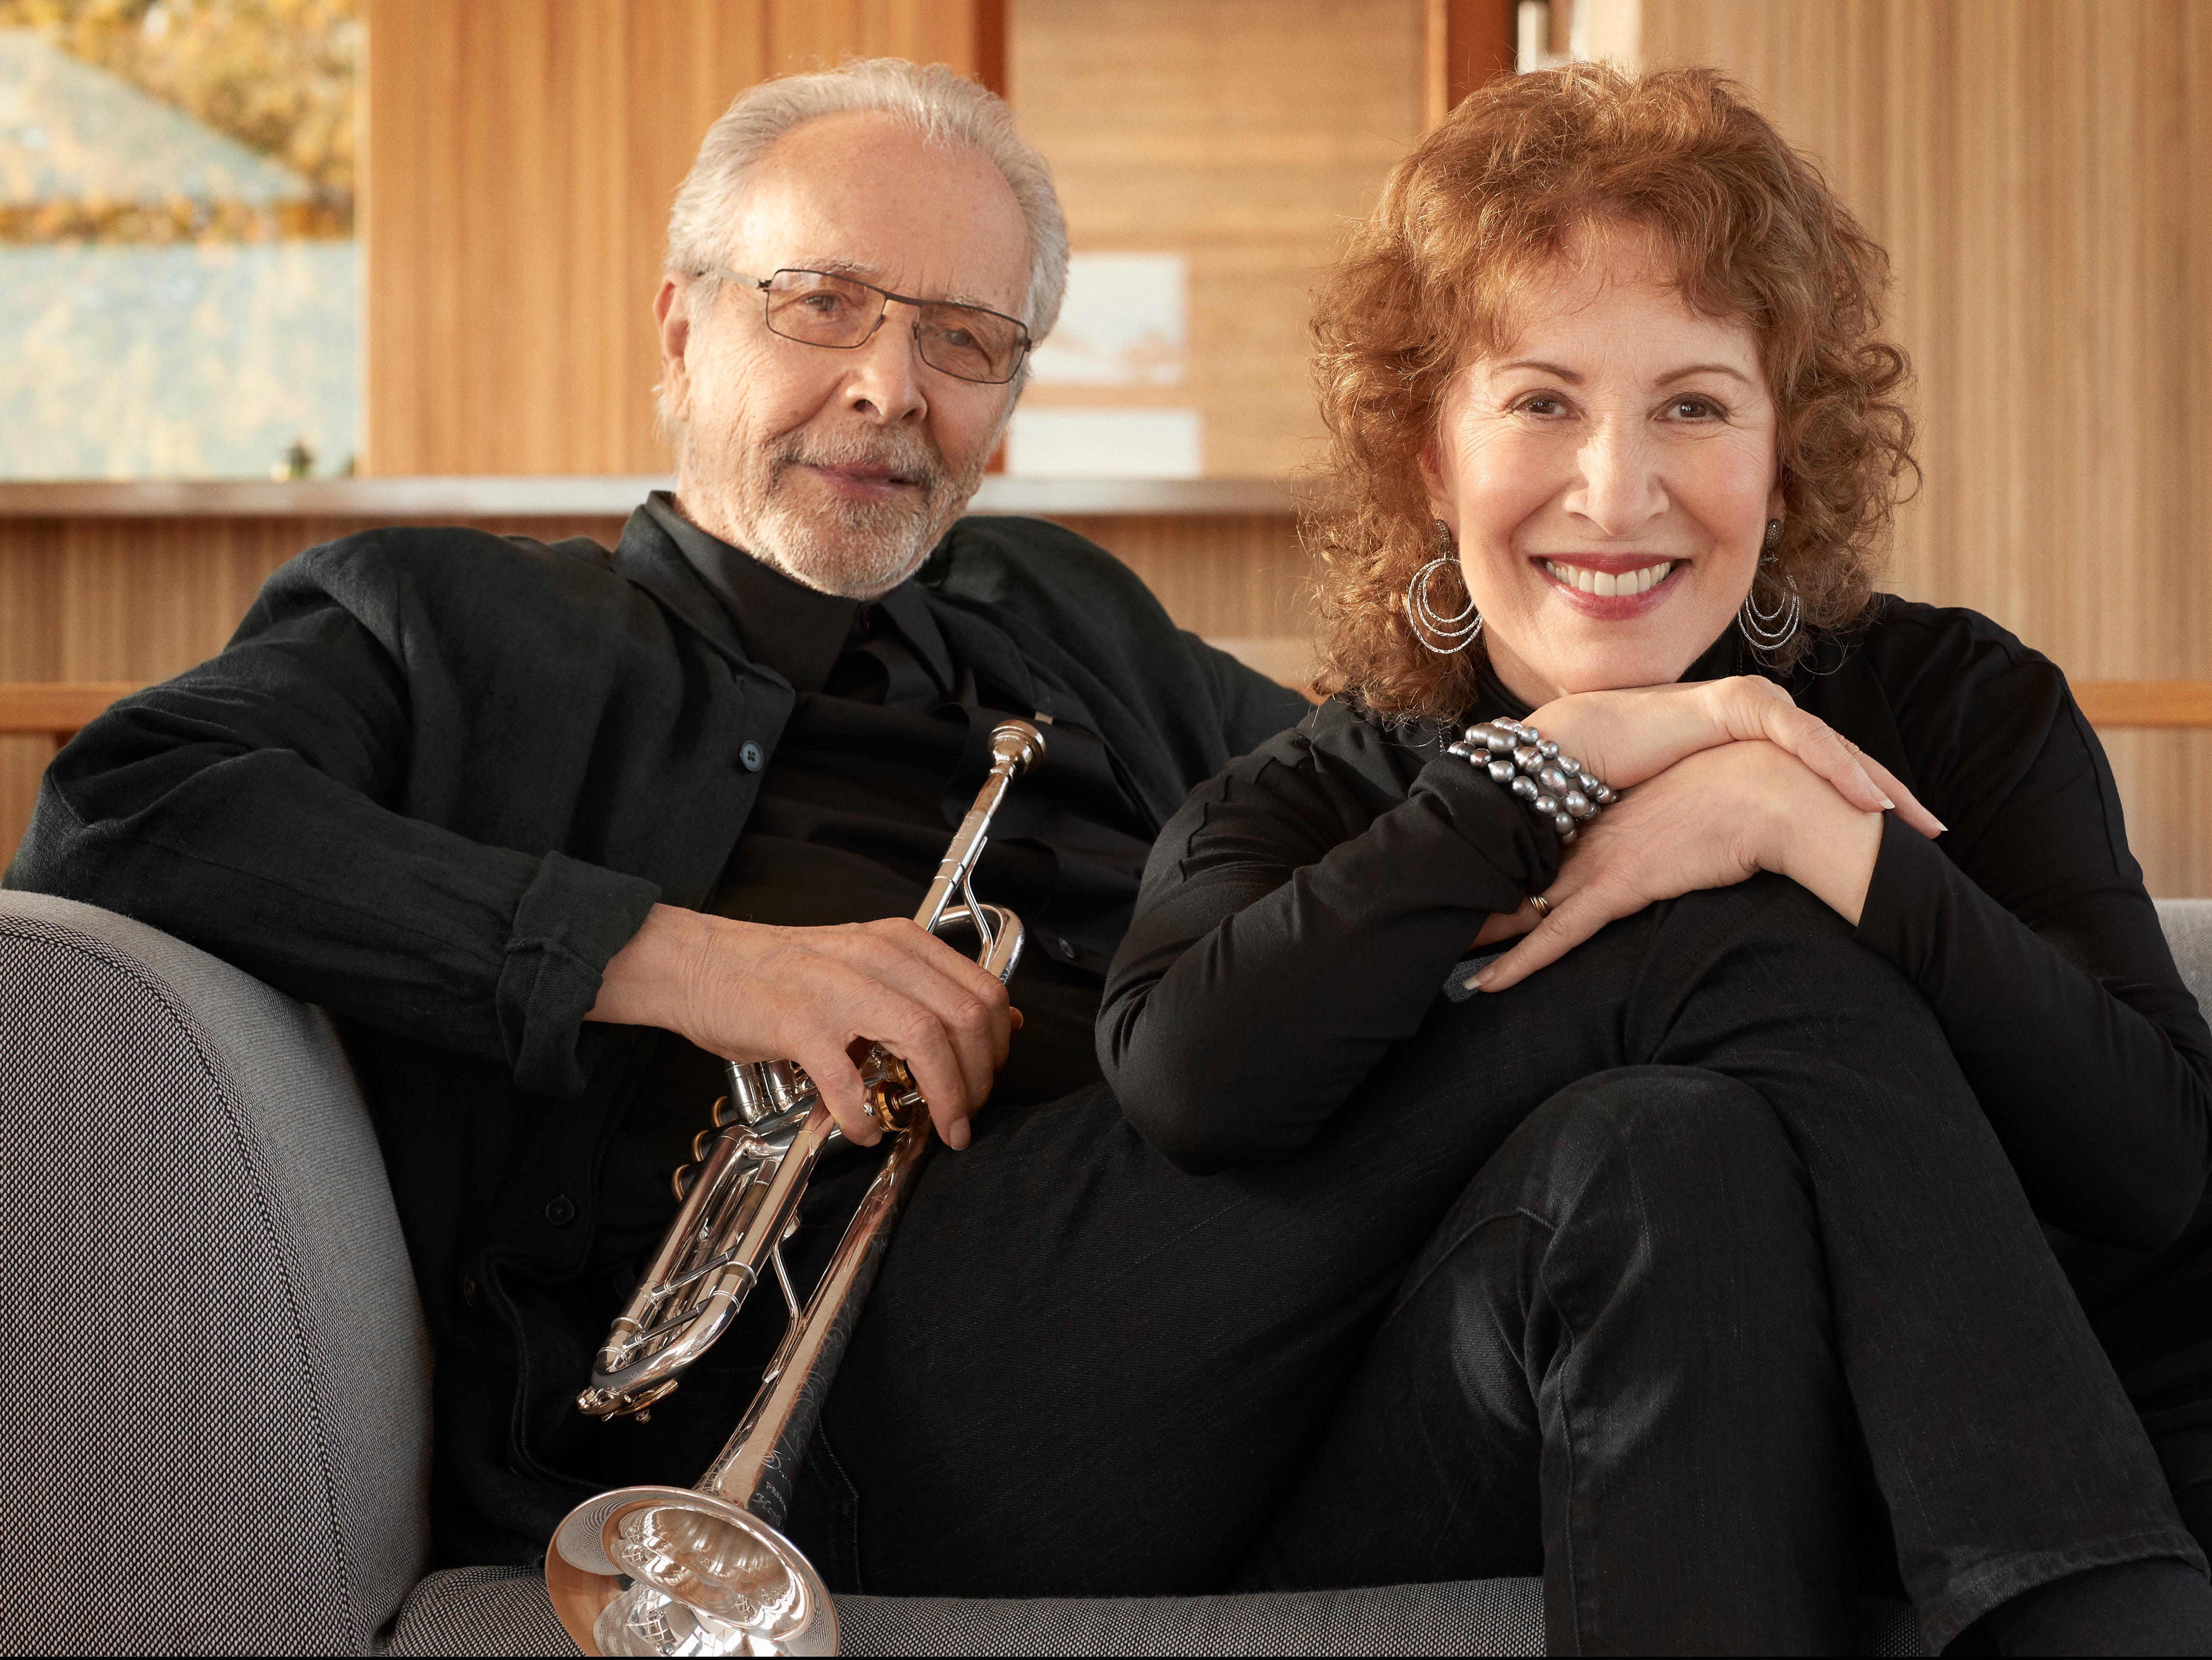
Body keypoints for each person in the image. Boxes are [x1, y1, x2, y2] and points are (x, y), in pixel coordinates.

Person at [11, 53, 2204, 1657]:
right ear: (682, 321)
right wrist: (677, 956)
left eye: (966, 341)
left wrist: (1648, 760)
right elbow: (124, 808)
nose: (891, 384)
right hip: (850, 1372)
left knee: (1665, 1133)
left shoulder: (1067, 623)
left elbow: (1380, 842)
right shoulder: (445, 615)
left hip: (1226, 1330)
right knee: (1704, 940)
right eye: (821, 304)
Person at [1096, 63, 2212, 1654]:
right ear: (1429, 457)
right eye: (1540, 401)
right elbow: (1192, 1081)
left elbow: (2155, 1159)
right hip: (1512, 1443)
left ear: (1787, 450)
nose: (1616, 492)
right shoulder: (1314, 798)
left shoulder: (1959, 708)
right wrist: (1547, 772)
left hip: (1956, 1443)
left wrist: (1805, 830)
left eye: (1695, 404)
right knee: (1659, 1142)